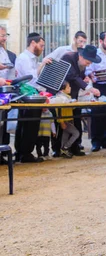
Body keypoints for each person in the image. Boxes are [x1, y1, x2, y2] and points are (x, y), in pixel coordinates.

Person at [14, 32, 52, 163]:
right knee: (29, 124)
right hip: (27, 94)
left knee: (29, 124)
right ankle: (25, 153)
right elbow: (30, 78)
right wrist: (42, 65)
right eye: (41, 46)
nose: (42, 49)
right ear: (33, 43)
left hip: (32, 93)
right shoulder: (24, 58)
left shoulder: (33, 59)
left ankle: (23, 152)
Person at [60, 45, 102, 156]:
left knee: (76, 119)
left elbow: (79, 77)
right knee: (63, 122)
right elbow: (73, 76)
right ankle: (59, 148)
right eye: (88, 62)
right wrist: (90, 88)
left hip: (75, 94)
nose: (88, 65)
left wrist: (85, 79)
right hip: (63, 94)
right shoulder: (67, 58)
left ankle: (76, 146)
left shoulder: (81, 63)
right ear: (81, 56)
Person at [51, 82, 79, 159]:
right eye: (68, 87)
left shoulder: (68, 97)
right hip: (65, 120)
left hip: (69, 119)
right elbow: (58, 111)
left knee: (65, 136)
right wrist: (61, 122)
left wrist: (73, 103)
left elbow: (71, 108)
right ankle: (65, 147)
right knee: (76, 133)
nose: (70, 88)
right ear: (63, 89)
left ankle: (63, 150)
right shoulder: (59, 98)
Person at [0, 25, 16, 150]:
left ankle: (3, 152)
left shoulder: (4, 51)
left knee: (3, 122)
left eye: (6, 35)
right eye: (2, 35)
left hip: (5, 89)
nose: (4, 38)